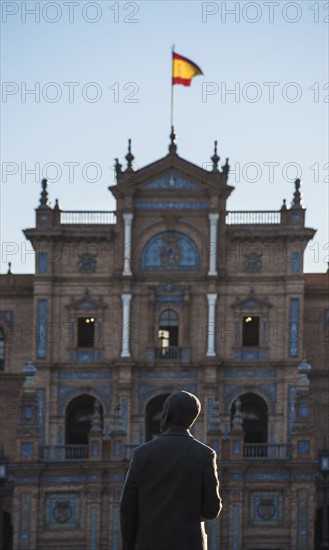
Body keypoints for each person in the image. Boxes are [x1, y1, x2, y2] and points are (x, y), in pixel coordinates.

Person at [120, 390, 222, 550]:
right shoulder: (205, 455)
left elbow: (127, 508)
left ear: (166, 414)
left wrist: (129, 546)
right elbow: (211, 510)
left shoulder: (142, 454)